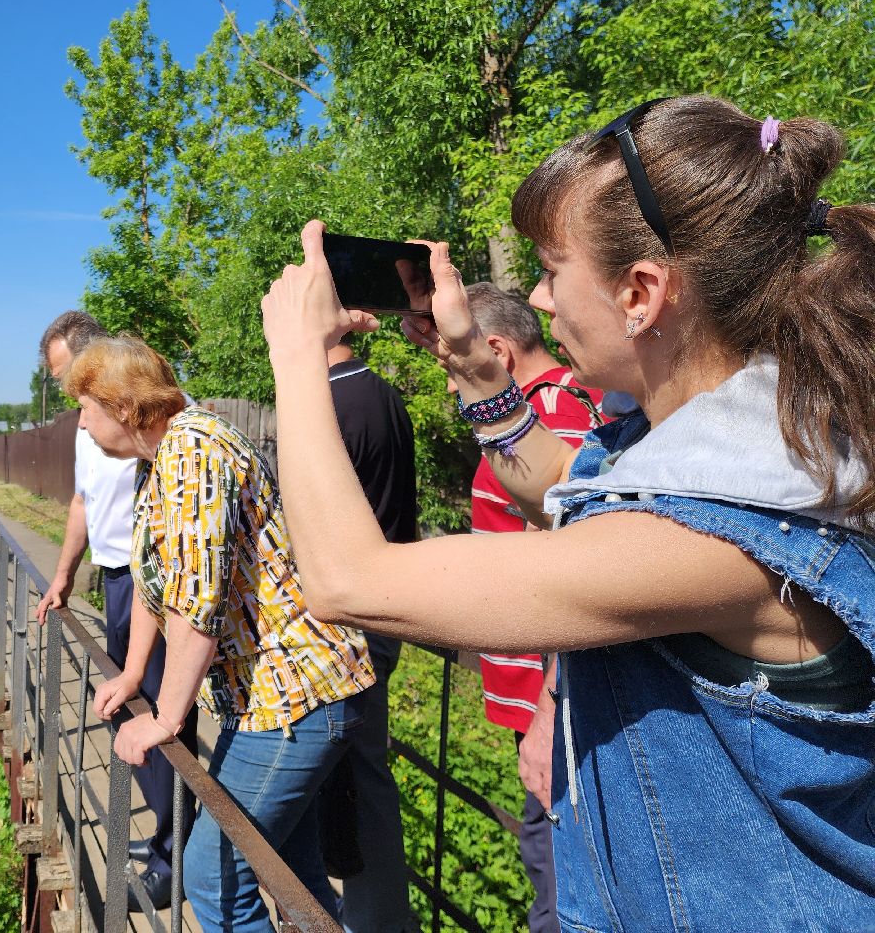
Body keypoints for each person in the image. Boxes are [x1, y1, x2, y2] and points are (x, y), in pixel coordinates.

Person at [261, 96, 875, 930]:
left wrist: (298, 357)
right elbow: (554, 478)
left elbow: (347, 581)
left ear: (641, 293)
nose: (541, 301)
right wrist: (470, 363)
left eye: (552, 271)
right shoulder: (721, 439)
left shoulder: (724, 524)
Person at [74, 336, 374, 933]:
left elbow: (195, 606)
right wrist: (135, 674)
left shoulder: (193, 455)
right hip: (268, 696)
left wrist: (163, 717)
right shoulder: (159, 462)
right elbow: (154, 585)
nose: (81, 423)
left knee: (213, 873)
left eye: (87, 407)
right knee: (296, 879)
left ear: (124, 406)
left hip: (296, 692)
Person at [33, 310, 195, 909]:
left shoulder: (166, 433)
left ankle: (172, 854)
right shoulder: (91, 420)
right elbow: (82, 502)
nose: (64, 394)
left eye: (66, 374)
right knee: (132, 703)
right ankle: (162, 836)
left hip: (155, 582)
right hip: (119, 579)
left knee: (158, 711)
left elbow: (188, 574)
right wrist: (63, 576)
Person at [458, 283, 605, 933]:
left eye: (456, 369)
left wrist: (551, 708)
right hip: (552, 697)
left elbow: (573, 573)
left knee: (558, 874)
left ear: (496, 352)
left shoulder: (556, 414)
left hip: (557, 701)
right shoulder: (570, 401)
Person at [321, 335, 416, 933]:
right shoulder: (382, 394)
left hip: (348, 625)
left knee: (356, 781)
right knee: (358, 776)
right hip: (381, 610)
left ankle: (375, 922)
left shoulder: (329, 407)